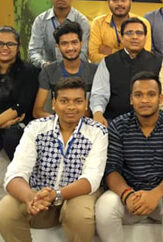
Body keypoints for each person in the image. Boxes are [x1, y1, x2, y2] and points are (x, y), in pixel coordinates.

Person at [0, 77, 108, 242]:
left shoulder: (97, 132)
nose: (71, 107)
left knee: (80, 215)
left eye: (78, 101)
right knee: (6, 209)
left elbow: (91, 179)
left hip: (77, 195)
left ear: (86, 104)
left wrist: (57, 195)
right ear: (53, 103)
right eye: (64, 101)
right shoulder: (36, 128)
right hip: (39, 196)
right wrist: (31, 198)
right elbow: (16, 172)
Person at [95, 72, 163, 242]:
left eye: (151, 94)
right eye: (138, 95)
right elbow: (111, 169)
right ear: (131, 99)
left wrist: (155, 194)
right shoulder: (117, 126)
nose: (144, 100)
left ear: (160, 99)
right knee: (104, 207)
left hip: (162, 194)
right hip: (128, 196)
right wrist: (127, 195)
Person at [90, 17, 162, 126]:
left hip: (150, 122)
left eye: (139, 33)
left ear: (145, 37)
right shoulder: (108, 61)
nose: (134, 37)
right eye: (129, 33)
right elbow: (99, 93)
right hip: (114, 121)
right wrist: (98, 113)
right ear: (121, 36)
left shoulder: (158, 62)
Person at [33, 21, 97, 118]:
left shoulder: (94, 71)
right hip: (56, 126)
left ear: (81, 43)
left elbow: (97, 110)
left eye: (74, 42)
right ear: (57, 46)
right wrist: (62, 122)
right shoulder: (48, 71)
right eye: (64, 44)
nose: (70, 48)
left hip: (86, 126)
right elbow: (37, 111)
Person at [28, 0, 90, 68]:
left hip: (75, 72)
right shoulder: (40, 20)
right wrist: (45, 65)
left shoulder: (82, 21)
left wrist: (67, 67)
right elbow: (34, 51)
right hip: (46, 70)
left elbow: (84, 53)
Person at [0, 26, 39, 160]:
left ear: (18, 47)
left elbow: (21, 106)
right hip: (3, 122)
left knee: (12, 137)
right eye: (0, 43)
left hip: (18, 125)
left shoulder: (29, 71)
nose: (5, 47)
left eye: (10, 44)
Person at [88, 0, 153, 63]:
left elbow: (144, 57)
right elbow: (94, 57)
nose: (119, 4)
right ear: (108, 2)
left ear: (130, 1)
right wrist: (130, 53)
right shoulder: (98, 23)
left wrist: (111, 51)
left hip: (136, 73)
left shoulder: (143, 23)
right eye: (115, 0)